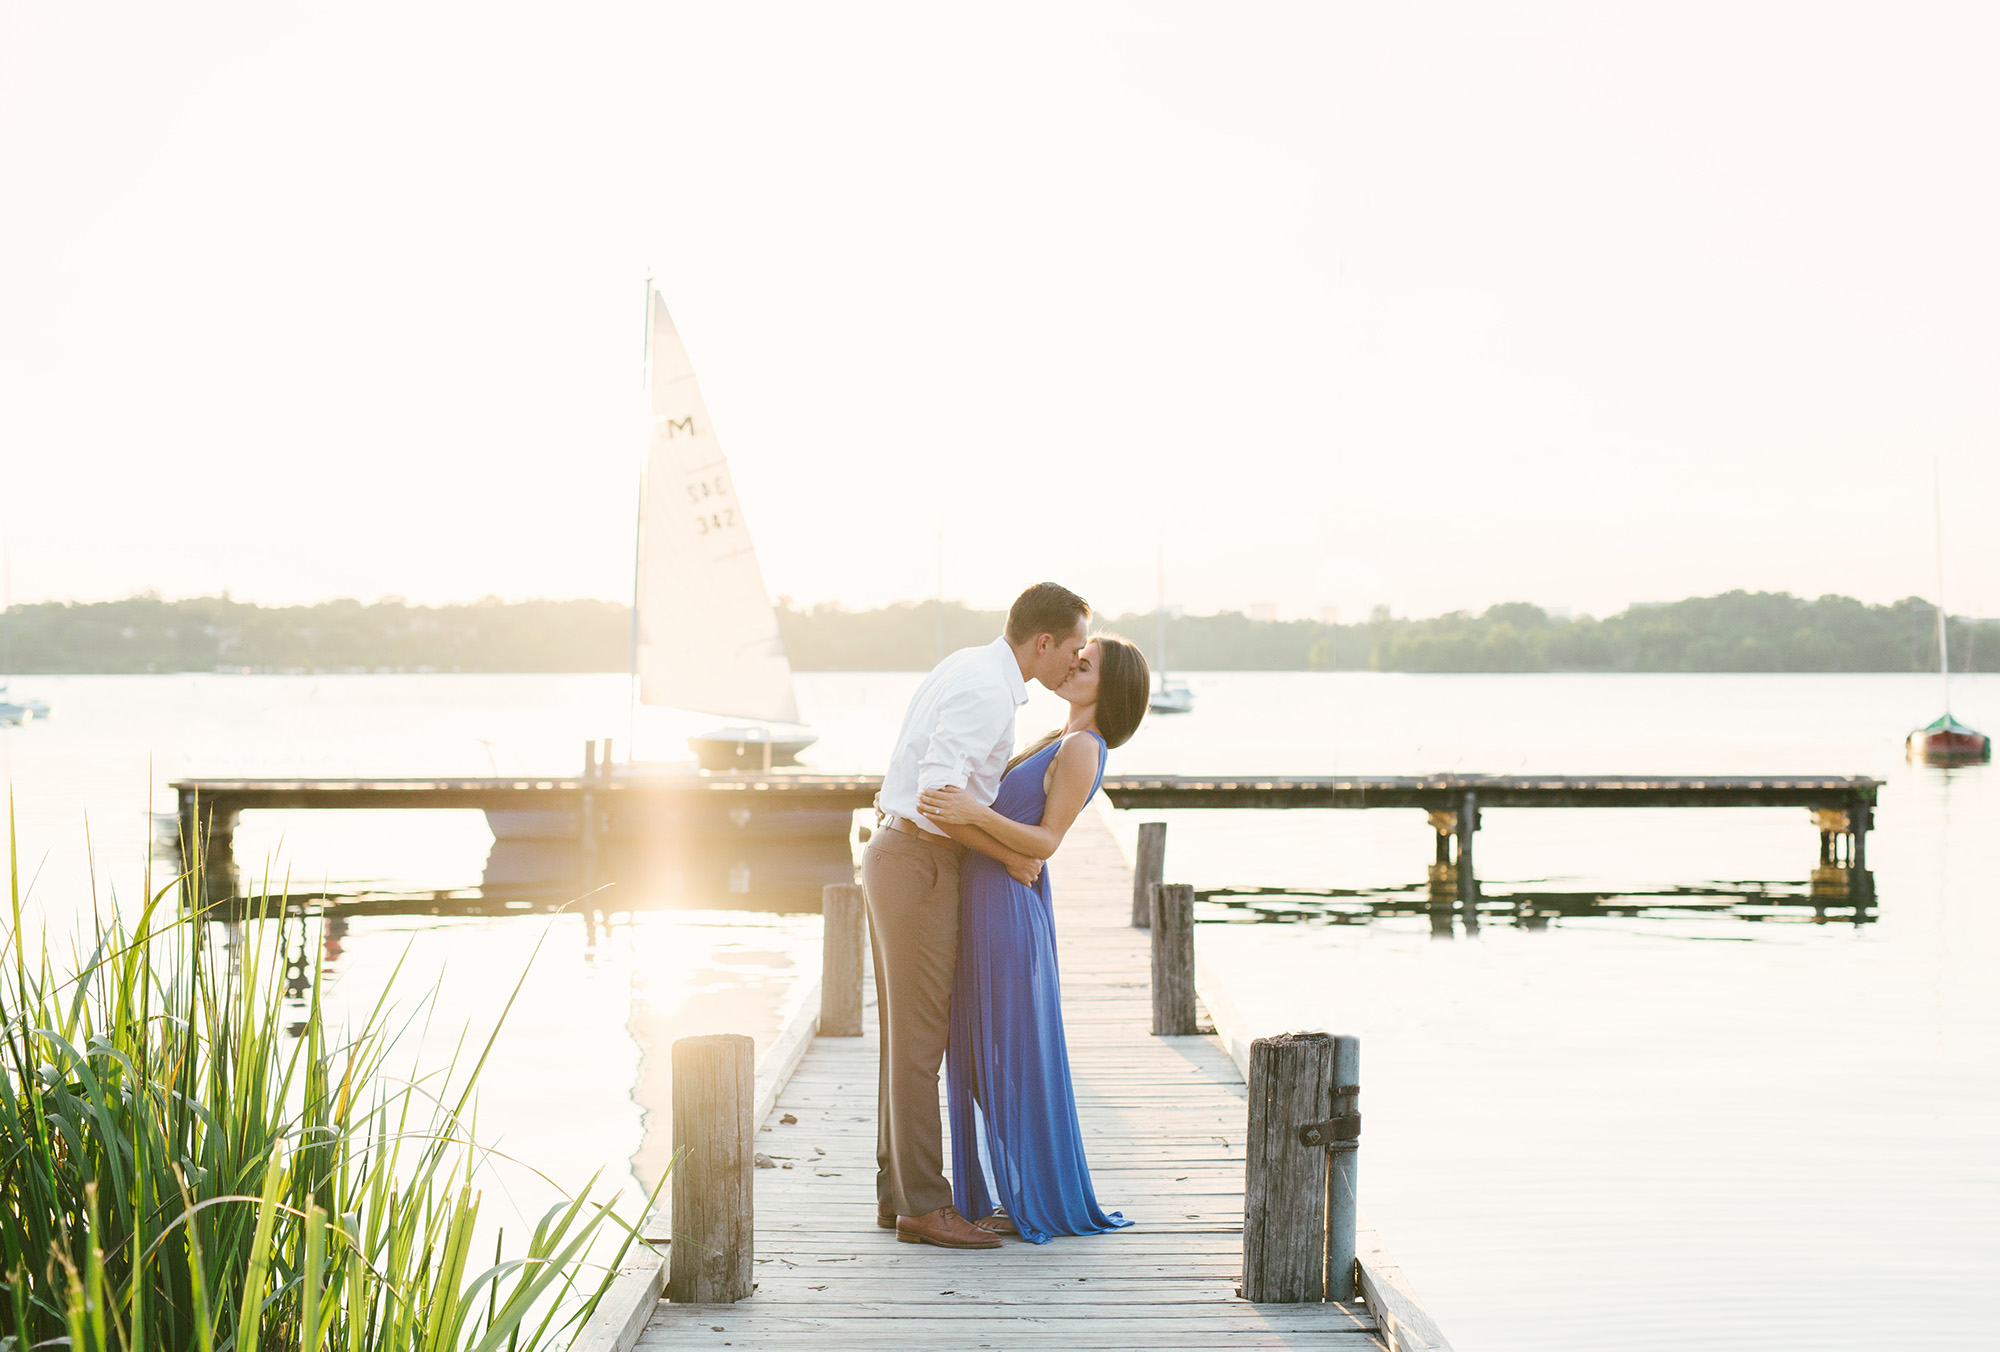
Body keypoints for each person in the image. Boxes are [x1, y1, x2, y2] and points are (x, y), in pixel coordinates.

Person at [862, 581, 1091, 1250]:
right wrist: (1009, 854)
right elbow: (938, 795)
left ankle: (897, 1195)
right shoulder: (988, 689)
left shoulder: (969, 664)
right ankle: (926, 1207)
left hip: (904, 857)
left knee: (907, 1039)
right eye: (1073, 649)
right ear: (1042, 642)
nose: (1075, 664)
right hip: (918, 861)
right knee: (920, 1044)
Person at [919, 634, 1151, 1243]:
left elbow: (1047, 842)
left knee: (1007, 1051)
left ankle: (1033, 1198)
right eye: (1079, 653)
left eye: (1089, 661)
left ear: (1112, 685)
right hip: (987, 896)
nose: (1075, 662)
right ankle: (1015, 1191)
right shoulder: (1057, 738)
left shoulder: (1082, 747)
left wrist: (969, 814)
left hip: (1005, 910)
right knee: (976, 1052)